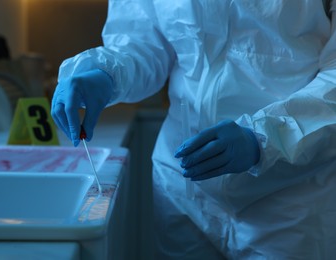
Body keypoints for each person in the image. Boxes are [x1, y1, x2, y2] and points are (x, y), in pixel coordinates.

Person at [51, 0, 336, 258]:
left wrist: (267, 136)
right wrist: (107, 72)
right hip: (183, 186)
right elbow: (143, 44)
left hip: (292, 196)